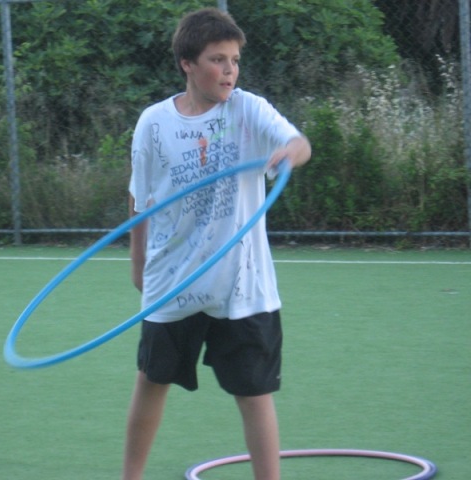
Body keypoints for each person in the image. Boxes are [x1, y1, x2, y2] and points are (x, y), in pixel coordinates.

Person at [122, 7, 311, 480]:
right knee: (152, 380)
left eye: (234, 60)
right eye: (217, 60)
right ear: (187, 63)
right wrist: (137, 262)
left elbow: (298, 142)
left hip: (241, 282)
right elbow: (140, 198)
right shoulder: (154, 123)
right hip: (173, 278)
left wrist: (289, 152)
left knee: (254, 393)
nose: (230, 71)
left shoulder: (248, 109)